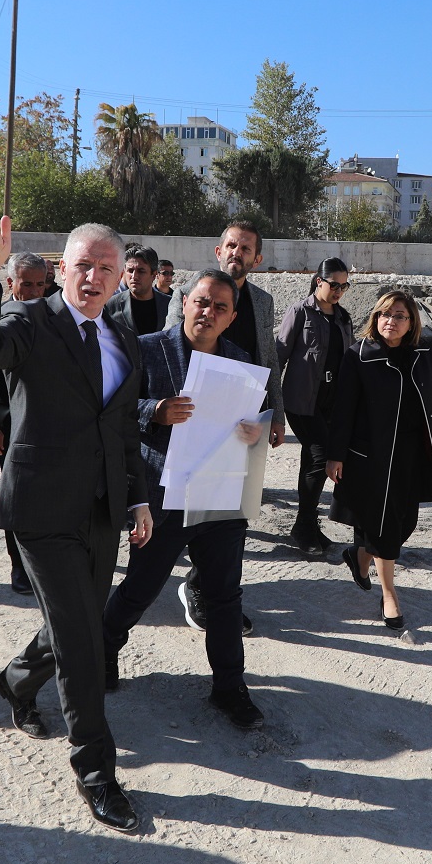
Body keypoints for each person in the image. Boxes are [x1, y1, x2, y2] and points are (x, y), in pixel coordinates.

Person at [0, 214, 152, 833]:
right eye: (83, 265)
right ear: (61, 268)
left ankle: (17, 683)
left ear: (120, 278)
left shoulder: (123, 339)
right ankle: (95, 770)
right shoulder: (29, 320)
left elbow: (122, 430)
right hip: (42, 509)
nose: (93, 277)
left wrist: (138, 499)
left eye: (106, 268)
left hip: (100, 510)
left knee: (78, 621)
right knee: (82, 640)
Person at [104, 269, 269, 730]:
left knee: (224, 597)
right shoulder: (147, 348)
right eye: (201, 302)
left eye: (220, 307)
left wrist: (254, 431)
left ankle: (229, 688)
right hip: (164, 494)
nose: (208, 312)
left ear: (231, 317)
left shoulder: (239, 360)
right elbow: (114, 408)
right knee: (141, 588)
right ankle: (103, 649)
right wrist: (154, 411)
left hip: (220, 496)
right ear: (185, 302)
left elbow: (252, 421)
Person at [165, 220, 283, 633]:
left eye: (245, 248)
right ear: (219, 251)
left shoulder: (263, 301)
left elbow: (269, 358)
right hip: (196, 417)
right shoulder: (190, 290)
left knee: (235, 512)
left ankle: (215, 592)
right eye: (231, 245)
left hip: (245, 421)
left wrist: (275, 413)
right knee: (193, 508)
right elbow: (168, 347)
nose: (237, 252)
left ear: (257, 258)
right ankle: (195, 587)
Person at [326, 290, 432, 631]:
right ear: (376, 318)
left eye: (400, 315)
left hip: (411, 456)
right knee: (384, 526)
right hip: (371, 457)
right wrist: (335, 455)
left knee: (405, 522)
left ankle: (360, 556)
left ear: (411, 322)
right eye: (385, 314)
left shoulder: (422, 355)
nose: (391, 321)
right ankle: (389, 595)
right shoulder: (359, 355)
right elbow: (343, 409)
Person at [0, 251, 49, 593]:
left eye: (40, 284)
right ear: (11, 282)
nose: (34, 291)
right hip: (11, 429)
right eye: (27, 284)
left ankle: (46, 564)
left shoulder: (54, 317)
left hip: (50, 425)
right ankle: (19, 567)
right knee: (17, 499)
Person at [276, 257, 356, 556]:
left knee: (312, 460)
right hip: (301, 401)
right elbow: (279, 354)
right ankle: (303, 525)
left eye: (344, 286)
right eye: (334, 285)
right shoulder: (300, 311)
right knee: (321, 456)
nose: (338, 291)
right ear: (319, 281)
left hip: (331, 402)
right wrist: (270, 403)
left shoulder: (343, 318)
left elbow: (350, 361)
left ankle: (307, 526)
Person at [105, 245, 167, 336]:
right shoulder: (111, 305)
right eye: (130, 270)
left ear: (154, 275)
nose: (134, 276)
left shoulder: (169, 304)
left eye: (141, 271)